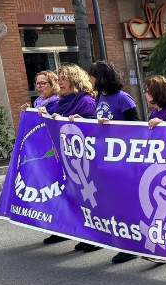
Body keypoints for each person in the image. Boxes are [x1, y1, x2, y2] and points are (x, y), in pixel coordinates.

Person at [37, 64, 98, 250]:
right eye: (59, 78)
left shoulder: (85, 101)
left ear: (74, 80)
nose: (60, 82)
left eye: (63, 78)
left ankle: (94, 238)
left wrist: (82, 121)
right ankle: (81, 232)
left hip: (84, 162)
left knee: (88, 201)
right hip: (67, 159)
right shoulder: (63, 102)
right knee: (73, 198)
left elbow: (93, 129)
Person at [88, 61, 143, 264]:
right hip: (106, 160)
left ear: (101, 77)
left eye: (92, 75)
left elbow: (136, 128)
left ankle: (131, 245)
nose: (89, 80)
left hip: (123, 161)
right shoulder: (98, 97)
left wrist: (113, 126)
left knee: (125, 203)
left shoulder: (123, 99)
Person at [36, 70, 68, 246]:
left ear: (52, 85)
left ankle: (62, 227)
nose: (39, 87)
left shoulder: (56, 104)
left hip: (57, 154)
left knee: (59, 190)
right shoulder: (38, 103)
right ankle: (54, 227)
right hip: (44, 154)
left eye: (43, 83)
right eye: (37, 83)